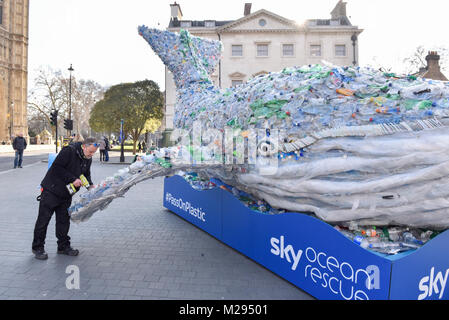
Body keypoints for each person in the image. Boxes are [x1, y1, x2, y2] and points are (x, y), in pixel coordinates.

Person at [31, 137, 99, 260]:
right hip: (51, 190)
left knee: (63, 221)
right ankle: (38, 247)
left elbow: (85, 174)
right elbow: (57, 168)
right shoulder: (69, 151)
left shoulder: (88, 158)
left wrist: (90, 186)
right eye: (90, 151)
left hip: (67, 193)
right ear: (84, 146)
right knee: (43, 220)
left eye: (94, 152)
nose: (91, 154)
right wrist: (73, 179)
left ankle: (63, 246)